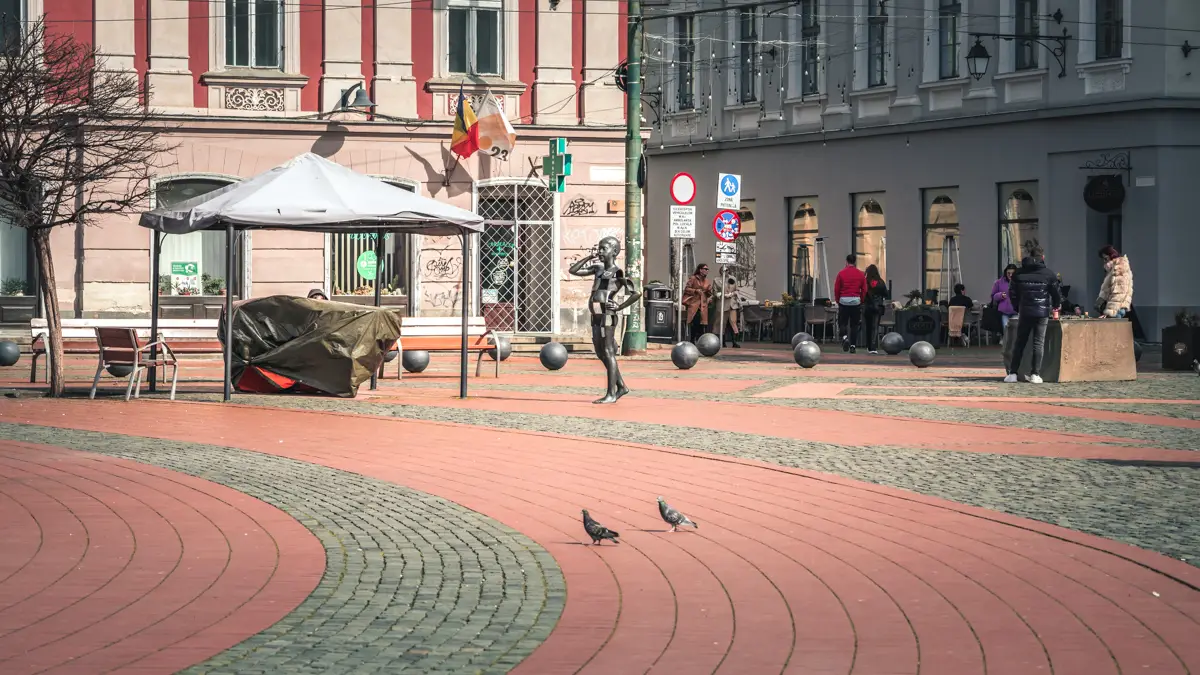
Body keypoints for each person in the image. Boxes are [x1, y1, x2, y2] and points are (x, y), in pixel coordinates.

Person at [568, 236, 640, 404]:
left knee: (608, 352)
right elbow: (573, 270)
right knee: (600, 352)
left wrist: (620, 307)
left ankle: (611, 393)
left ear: (614, 252)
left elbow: (636, 293)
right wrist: (588, 257)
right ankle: (621, 386)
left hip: (608, 315)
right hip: (596, 315)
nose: (600, 251)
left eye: (604, 249)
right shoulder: (597, 269)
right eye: (599, 248)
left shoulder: (617, 272)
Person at [1005, 247, 1061, 384]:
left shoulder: (1018, 273)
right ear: (1042, 257)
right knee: (1038, 343)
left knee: (1020, 342)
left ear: (1029, 256)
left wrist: (1017, 307)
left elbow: (1012, 293)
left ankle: (1012, 373)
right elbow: (1056, 293)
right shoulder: (1049, 274)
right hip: (1042, 313)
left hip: (1025, 311)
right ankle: (1035, 374)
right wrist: (1055, 305)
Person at [833, 254, 867, 353]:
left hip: (844, 300)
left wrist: (838, 300)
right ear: (855, 262)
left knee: (842, 322)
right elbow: (864, 289)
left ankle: (844, 338)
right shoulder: (861, 274)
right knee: (854, 325)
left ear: (846, 262)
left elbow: (836, 288)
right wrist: (861, 299)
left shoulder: (841, 273)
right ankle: (853, 345)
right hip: (856, 301)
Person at [1095, 245, 1133, 319]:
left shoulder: (1119, 268)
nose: (1104, 261)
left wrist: (1110, 312)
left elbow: (1118, 292)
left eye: (1106, 258)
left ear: (1111, 256)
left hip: (1116, 309)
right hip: (1116, 308)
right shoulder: (1115, 268)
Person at [681, 263, 713, 343]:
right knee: (695, 323)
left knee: (703, 324)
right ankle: (692, 340)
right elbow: (687, 289)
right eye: (705, 269)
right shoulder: (693, 278)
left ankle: (700, 341)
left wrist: (709, 291)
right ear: (700, 270)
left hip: (703, 305)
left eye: (707, 269)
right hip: (694, 304)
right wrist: (695, 290)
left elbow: (708, 294)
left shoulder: (707, 281)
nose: (707, 271)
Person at [862, 264, 889, 354]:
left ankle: (869, 346)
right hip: (877, 307)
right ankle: (873, 347)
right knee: (875, 327)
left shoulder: (865, 282)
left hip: (867, 307)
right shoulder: (881, 282)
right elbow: (886, 294)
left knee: (868, 327)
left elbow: (862, 293)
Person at [990, 264, 1018, 329]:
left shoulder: (1019, 282)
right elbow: (993, 296)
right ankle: (1004, 338)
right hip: (1004, 312)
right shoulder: (998, 282)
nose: (1010, 275)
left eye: (1012, 273)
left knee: (1015, 331)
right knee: (1006, 330)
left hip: (1016, 311)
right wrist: (1000, 295)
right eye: (1008, 273)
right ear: (1005, 272)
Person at [721, 276, 742, 348]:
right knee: (723, 323)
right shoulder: (718, 280)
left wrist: (733, 294)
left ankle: (734, 342)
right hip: (723, 305)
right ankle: (722, 342)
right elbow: (715, 292)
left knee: (733, 323)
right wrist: (722, 295)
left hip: (732, 304)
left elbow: (737, 290)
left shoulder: (733, 279)